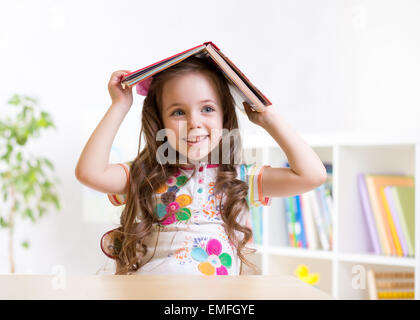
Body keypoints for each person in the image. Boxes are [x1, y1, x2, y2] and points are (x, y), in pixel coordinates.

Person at [75, 56, 327, 276]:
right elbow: (89, 173)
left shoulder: (238, 178)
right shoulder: (144, 174)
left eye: (207, 108)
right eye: (178, 112)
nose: (194, 122)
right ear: (159, 120)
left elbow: (312, 176)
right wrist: (119, 105)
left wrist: (268, 118)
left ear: (225, 116)